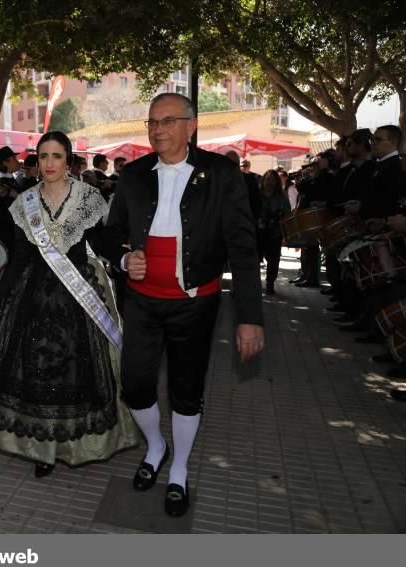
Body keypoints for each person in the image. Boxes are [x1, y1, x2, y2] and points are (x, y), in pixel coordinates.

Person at [104, 93, 264, 517]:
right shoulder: (134, 175)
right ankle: (155, 447)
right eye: (152, 122)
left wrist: (250, 318)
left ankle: (178, 469)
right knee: (136, 384)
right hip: (140, 302)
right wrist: (123, 259)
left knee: (185, 391)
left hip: (196, 304)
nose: (157, 129)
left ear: (191, 126)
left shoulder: (222, 175)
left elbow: (244, 250)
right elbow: (109, 233)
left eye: (168, 121)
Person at [0, 130, 140, 479]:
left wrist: (124, 258)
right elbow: (19, 257)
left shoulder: (89, 198)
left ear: (69, 160)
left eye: (57, 156)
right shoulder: (23, 204)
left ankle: (75, 443)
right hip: (33, 297)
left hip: (80, 296)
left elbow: (103, 242)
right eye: (43, 156)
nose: (49, 164)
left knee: (77, 369)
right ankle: (44, 449)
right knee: (37, 368)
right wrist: (4, 301)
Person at [257, 169, 292, 294]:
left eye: (272, 180)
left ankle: (270, 283)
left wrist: (286, 235)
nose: (269, 182)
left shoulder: (281, 196)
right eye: (267, 179)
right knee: (255, 258)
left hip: (274, 233)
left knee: (273, 260)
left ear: (276, 182)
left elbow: (287, 215)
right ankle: (255, 283)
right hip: (258, 232)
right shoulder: (257, 194)